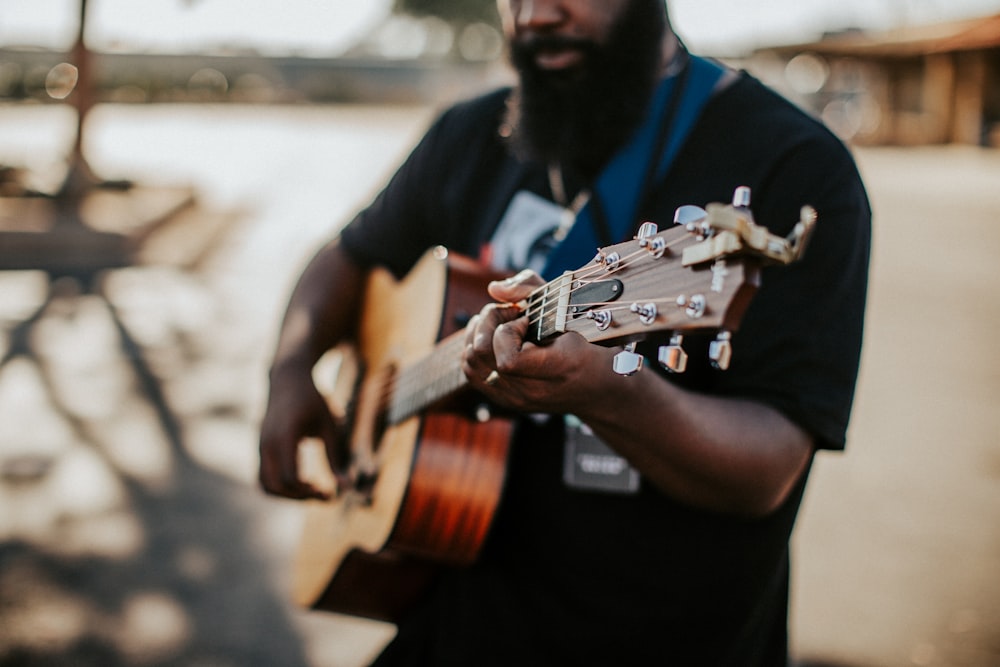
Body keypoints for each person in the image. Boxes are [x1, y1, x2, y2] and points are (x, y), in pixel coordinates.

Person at [258, 0, 871, 665]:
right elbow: (346, 258)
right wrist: (289, 371)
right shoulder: (471, 133)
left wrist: (610, 394)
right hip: (451, 626)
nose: (535, 13)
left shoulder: (792, 166)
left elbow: (767, 468)